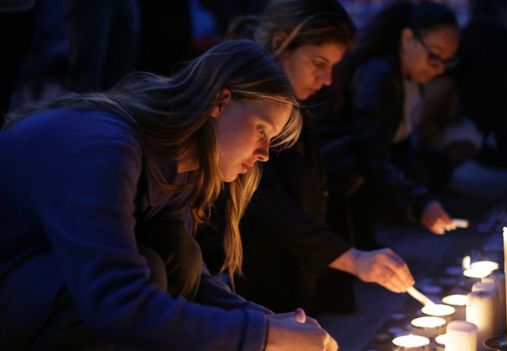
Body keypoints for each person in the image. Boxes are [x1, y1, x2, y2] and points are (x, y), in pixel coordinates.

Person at [0, 40, 339, 351]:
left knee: (181, 257)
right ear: (220, 101)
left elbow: (190, 274)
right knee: (148, 270)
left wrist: (263, 321)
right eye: (262, 130)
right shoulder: (107, 148)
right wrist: (262, 335)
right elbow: (116, 299)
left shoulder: (175, 162)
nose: (265, 153)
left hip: (31, 286)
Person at [199, 0, 417, 315]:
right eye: (318, 63)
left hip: (290, 276)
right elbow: (266, 201)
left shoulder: (306, 106)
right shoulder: (243, 108)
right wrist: (352, 259)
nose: (327, 79)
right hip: (252, 277)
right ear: (280, 44)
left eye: (333, 66)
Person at [324, 0, 459, 250]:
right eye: (434, 57)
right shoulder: (379, 77)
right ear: (408, 38)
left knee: (434, 164)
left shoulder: (408, 73)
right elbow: (370, 155)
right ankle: (361, 242)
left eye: (446, 62)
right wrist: (419, 202)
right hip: (348, 172)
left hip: (378, 158)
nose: (439, 69)